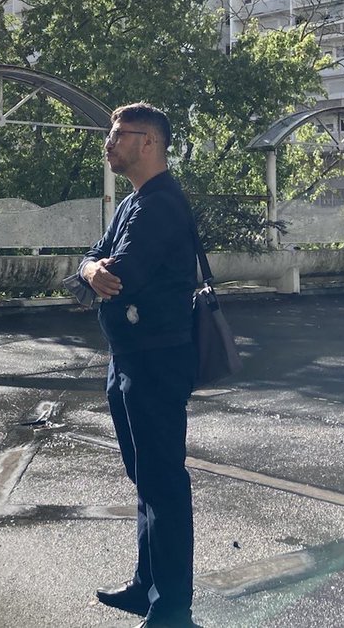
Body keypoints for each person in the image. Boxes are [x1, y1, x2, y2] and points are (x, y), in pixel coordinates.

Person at [79, 102, 201, 628]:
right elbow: (94, 258)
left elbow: (124, 273)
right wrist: (89, 270)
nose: (108, 144)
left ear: (148, 142)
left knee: (162, 480)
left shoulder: (161, 204)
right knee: (145, 476)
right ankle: (146, 587)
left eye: (118, 135)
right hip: (130, 356)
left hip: (156, 358)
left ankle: (171, 607)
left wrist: (96, 273)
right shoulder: (133, 202)